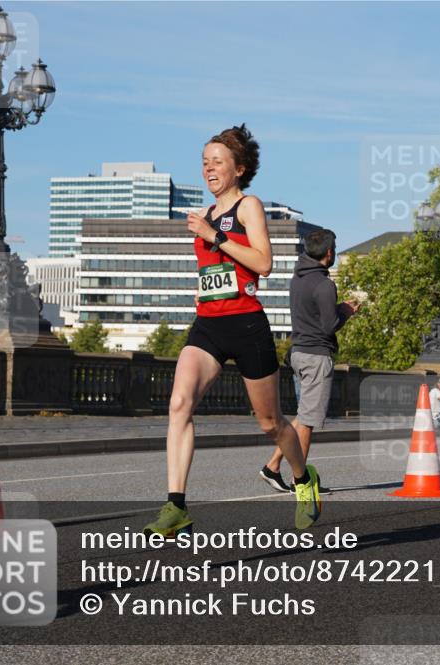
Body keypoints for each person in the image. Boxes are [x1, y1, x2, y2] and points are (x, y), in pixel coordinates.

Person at [144, 125, 321, 535]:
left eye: (217, 161)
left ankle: (302, 479)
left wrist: (215, 236)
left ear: (238, 169)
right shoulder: (203, 215)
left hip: (246, 324)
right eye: (204, 161)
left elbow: (263, 264)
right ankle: (176, 505)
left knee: (271, 423)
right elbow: (213, 270)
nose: (208, 167)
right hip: (208, 325)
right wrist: (200, 291)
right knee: (179, 405)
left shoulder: (247, 207)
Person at [259, 229, 359, 493]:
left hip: (299, 352)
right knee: (307, 421)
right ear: (328, 253)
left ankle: (273, 467)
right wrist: (346, 312)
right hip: (316, 356)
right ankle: (299, 480)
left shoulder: (298, 278)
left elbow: (314, 317)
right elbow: (329, 326)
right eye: (334, 248)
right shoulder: (325, 285)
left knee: (303, 416)